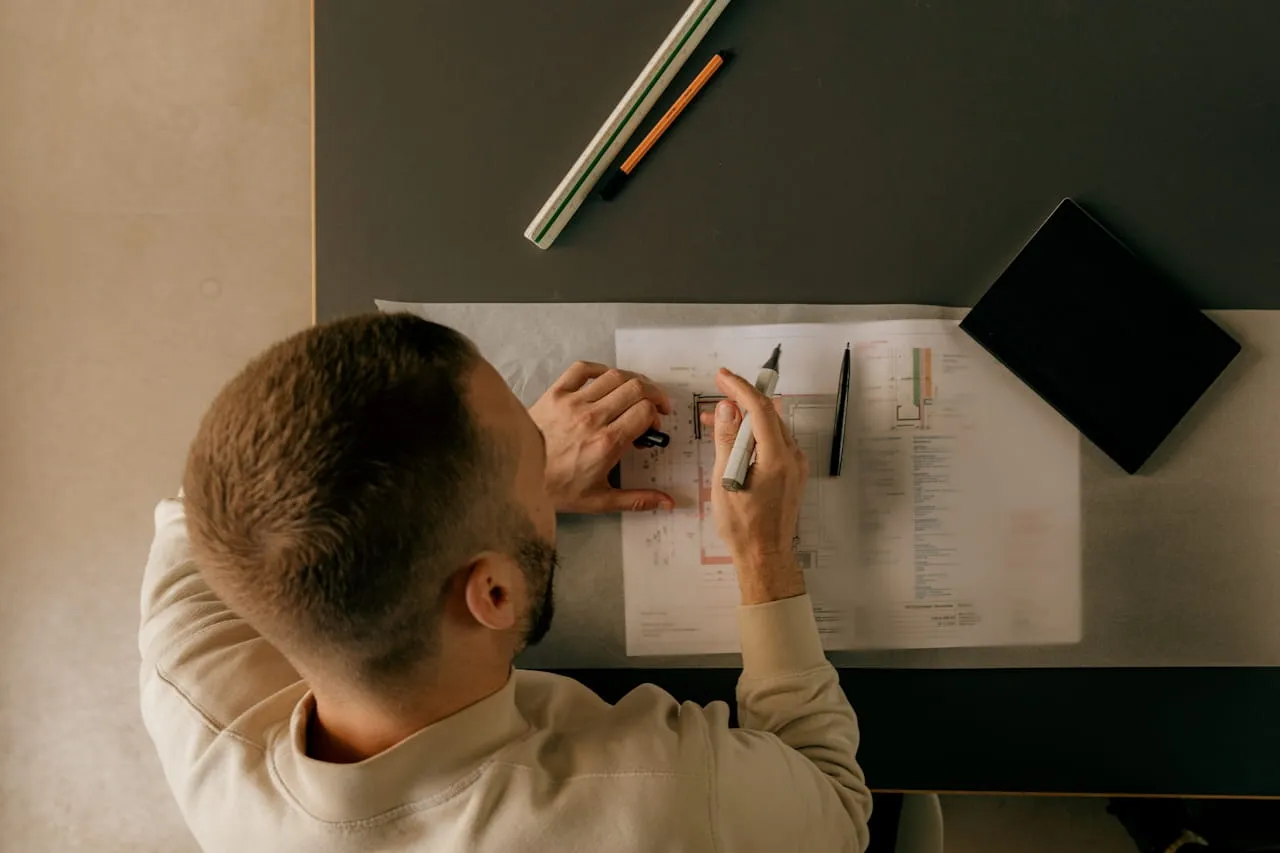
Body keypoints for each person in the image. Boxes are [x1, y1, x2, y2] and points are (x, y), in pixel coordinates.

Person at [139, 313, 871, 852]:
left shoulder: (192, 688)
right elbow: (836, 803)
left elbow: (209, 503)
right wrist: (765, 556)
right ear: (495, 594)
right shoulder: (660, 801)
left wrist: (484, 494)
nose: (552, 437)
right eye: (532, 447)